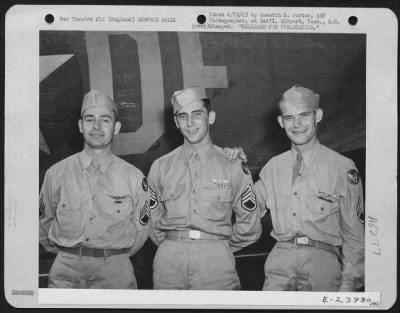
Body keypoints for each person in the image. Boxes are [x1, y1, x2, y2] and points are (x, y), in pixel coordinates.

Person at [229, 84, 365, 291]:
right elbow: (247, 210)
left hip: (323, 263)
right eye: (289, 118)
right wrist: (236, 172)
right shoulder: (273, 167)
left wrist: (348, 287)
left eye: (304, 115)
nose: (297, 124)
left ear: (317, 116)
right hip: (279, 262)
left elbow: (355, 236)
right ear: (280, 122)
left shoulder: (343, 168)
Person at [147, 86, 261, 290]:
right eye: (183, 116)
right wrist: (171, 244)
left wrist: (220, 245)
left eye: (197, 114)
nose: (190, 123)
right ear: (175, 122)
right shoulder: (161, 166)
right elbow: (151, 218)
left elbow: (250, 224)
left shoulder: (232, 165)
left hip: (216, 263)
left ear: (211, 117)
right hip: (169, 262)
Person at [39, 90, 150, 289]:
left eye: (105, 120)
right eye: (90, 119)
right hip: (66, 271)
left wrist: (114, 257)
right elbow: (42, 222)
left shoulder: (134, 177)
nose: (97, 127)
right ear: (81, 126)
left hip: (115, 273)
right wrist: (68, 254)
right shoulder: (56, 174)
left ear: (116, 128)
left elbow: (141, 230)